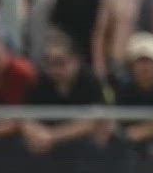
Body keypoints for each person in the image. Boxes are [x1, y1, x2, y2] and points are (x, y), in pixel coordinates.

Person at [20, 28, 108, 156]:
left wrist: (53, 136)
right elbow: (25, 116)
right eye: (50, 63)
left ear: (76, 61)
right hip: (44, 144)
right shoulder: (40, 82)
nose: (55, 69)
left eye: (60, 62)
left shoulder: (90, 81)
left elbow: (95, 120)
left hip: (79, 143)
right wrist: (35, 133)